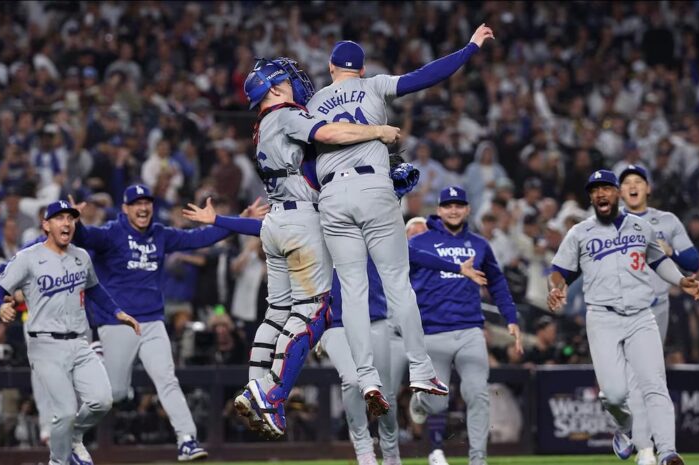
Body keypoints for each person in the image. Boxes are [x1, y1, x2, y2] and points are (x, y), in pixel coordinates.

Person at [305, 22, 497, 415]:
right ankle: (422, 370)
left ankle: (366, 376)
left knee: (354, 290)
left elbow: (306, 163)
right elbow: (428, 76)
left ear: (331, 67)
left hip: (332, 196)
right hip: (373, 188)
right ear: (360, 69)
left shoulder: (312, 104)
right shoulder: (373, 85)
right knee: (397, 284)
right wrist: (470, 48)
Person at [211, 56, 399, 437]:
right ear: (276, 88)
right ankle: (271, 394)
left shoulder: (263, 125)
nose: (298, 84)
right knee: (314, 314)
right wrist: (378, 131)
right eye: (289, 80)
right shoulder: (283, 113)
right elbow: (328, 134)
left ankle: (255, 385)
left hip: (275, 223)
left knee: (278, 312)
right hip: (301, 222)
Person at [68, 185, 264, 461]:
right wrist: (74, 221)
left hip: (152, 321)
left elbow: (200, 238)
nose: (143, 207)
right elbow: (86, 236)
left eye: (147, 202)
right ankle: (73, 434)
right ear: (125, 208)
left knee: (166, 379)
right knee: (115, 393)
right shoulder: (112, 233)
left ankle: (187, 439)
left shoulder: (159, 234)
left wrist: (238, 220)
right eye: (136, 203)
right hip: (118, 322)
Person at [548, 170, 699, 465]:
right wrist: (556, 288)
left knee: (655, 383)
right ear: (591, 197)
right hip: (603, 319)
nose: (600, 194)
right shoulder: (579, 232)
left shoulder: (640, 227)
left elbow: (658, 259)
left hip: (641, 316)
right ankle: (623, 429)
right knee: (615, 395)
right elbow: (559, 270)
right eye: (595, 190)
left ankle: (667, 451)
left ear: (616, 193)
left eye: (606, 188)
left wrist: (681, 280)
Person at [320, 223, 487, 465]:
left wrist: (457, 268)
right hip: (335, 323)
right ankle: (364, 451)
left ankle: (390, 452)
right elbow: (282, 232)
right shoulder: (321, 230)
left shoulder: (372, 234)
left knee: (385, 394)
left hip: (375, 320)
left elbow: (413, 253)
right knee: (353, 380)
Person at [0, 200, 140, 465]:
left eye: (70, 218)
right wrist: (0, 307)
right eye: (59, 218)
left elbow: (93, 288)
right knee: (65, 411)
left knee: (102, 401)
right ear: (46, 225)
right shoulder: (28, 257)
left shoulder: (81, 256)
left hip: (78, 343)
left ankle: (73, 438)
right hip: (44, 344)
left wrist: (117, 312)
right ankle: (58, 462)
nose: (66, 223)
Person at [399, 186, 521, 465]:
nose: (453, 210)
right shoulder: (419, 242)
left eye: (459, 205)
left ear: (467, 209)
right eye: (448, 205)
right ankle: (419, 402)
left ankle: (478, 459)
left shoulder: (479, 244)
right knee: (436, 403)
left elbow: (498, 282)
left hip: (470, 330)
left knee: (478, 393)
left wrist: (510, 318)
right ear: (439, 211)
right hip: (431, 331)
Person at [618, 165, 699, 465]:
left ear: (648, 188)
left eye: (638, 181)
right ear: (619, 191)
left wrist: (671, 253)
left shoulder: (665, 220)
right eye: (626, 182)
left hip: (657, 306)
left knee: (647, 377)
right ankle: (631, 434)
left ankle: (647, 448)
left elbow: (694, 261)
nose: (633, 186)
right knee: (625, 384)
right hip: (622, 308)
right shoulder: (611, 222)